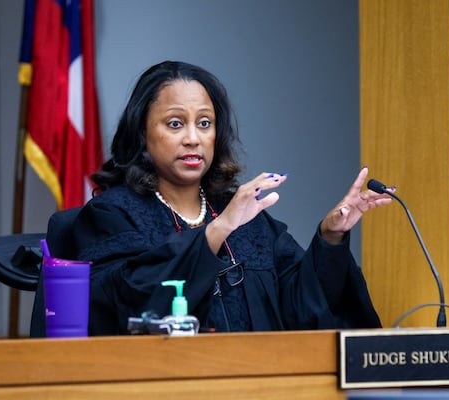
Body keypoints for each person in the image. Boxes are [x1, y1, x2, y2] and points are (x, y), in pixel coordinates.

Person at [49, 60, 394, 335]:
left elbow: (304, 307)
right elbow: (124, 303)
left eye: (204, 123)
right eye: (174, 124)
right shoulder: (112, 214)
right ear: (142, 132)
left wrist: (331, 236)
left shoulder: (250, 219)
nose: (192, 138)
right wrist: (219, 229)